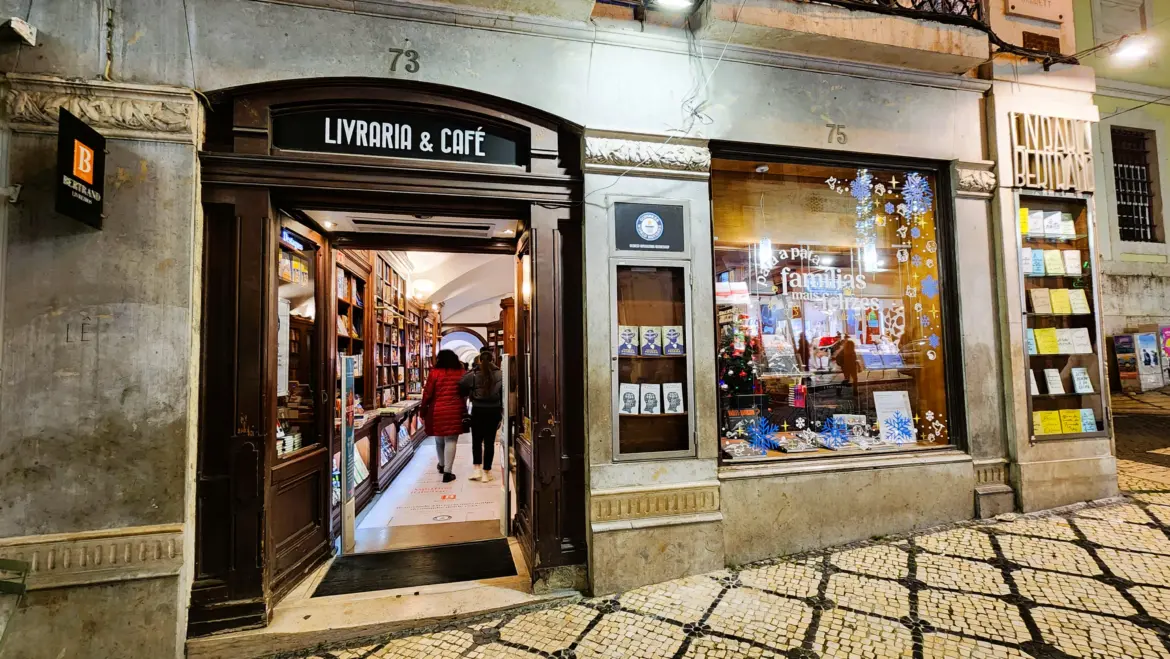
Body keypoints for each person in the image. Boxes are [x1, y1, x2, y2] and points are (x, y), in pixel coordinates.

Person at [421, 349, 467, 483]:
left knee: (439, 439)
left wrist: (423, 411)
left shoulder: (434, 373)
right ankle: (448, 471)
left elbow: (427, 394)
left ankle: (441, 464)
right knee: (451, 440)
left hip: (437, 410)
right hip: (456, 410)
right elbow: (465, 391)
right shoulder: (461, 373)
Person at [460, 349, 503, 483]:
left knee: (476, 441)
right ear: (493, 360)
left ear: (479, 361)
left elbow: (461, 383)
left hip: (478, 410)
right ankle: (487, 472)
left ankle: (476, 469)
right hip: (494, 410)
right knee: (489, 442)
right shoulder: (500, 374)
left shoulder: (473, 374)